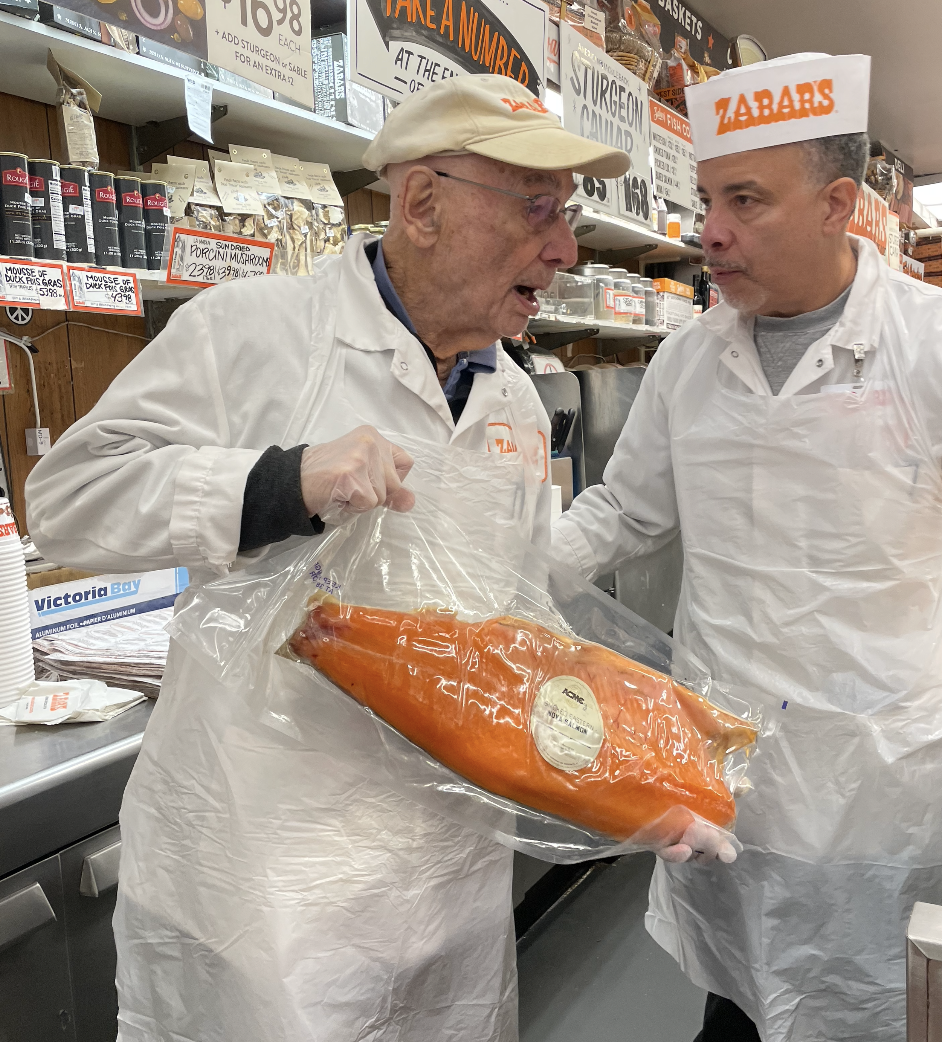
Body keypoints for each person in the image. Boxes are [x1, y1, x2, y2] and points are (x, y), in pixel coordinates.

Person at [25, 75, 629, 1042]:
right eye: (537, 209)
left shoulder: (514, 401)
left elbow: (517, 627)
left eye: (568, 216)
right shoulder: (254, 328)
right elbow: (64, 501)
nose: (562, 248)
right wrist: (282, 482)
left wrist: (633, 774)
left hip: (449, 887)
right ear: (424, 204)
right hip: (268, 895)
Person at [553, 52, 942, 1042]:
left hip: (885, 790)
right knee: (739, 999)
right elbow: (620, 514)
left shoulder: (925, 343)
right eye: (705, 198)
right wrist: (474, 571)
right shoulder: (689, 357)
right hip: (727, 785)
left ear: (838, 204)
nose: (709, 231)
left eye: (744, 200)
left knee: (870, 1010)